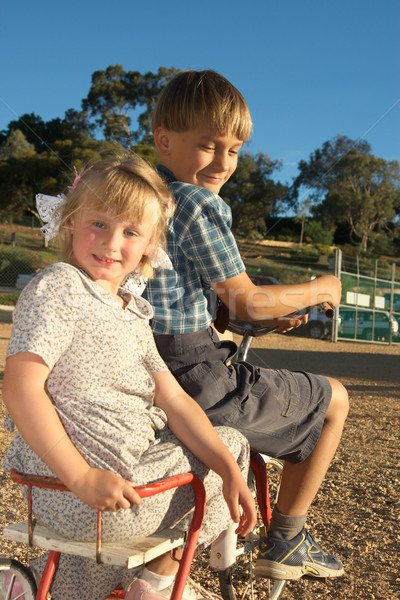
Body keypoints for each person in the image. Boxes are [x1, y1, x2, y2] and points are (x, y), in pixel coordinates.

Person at [2, 153, 256, 600]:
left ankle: (99, 586)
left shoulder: (133, 312)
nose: (112, 243)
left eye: (131, 232)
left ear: (149, 245)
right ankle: (158, 580)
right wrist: (81, 477)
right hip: (80, 488)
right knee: (232, 446)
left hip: (98, 492)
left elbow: (174, 400)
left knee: (214, 450)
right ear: (70, 223)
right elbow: (21, 389)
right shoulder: (59, 286)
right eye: (99, 223)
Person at [143, 70, 349, 581]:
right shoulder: (195, 202)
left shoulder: (139, 196)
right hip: (194, 377)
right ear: (164, 140)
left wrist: (267, 314)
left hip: (147, 366)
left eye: (233, 150)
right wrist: (324, 287)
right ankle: (287, 538)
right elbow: (248, 302)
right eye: (209, 146)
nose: (223, 163)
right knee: (335, 401)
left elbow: (200, 302)